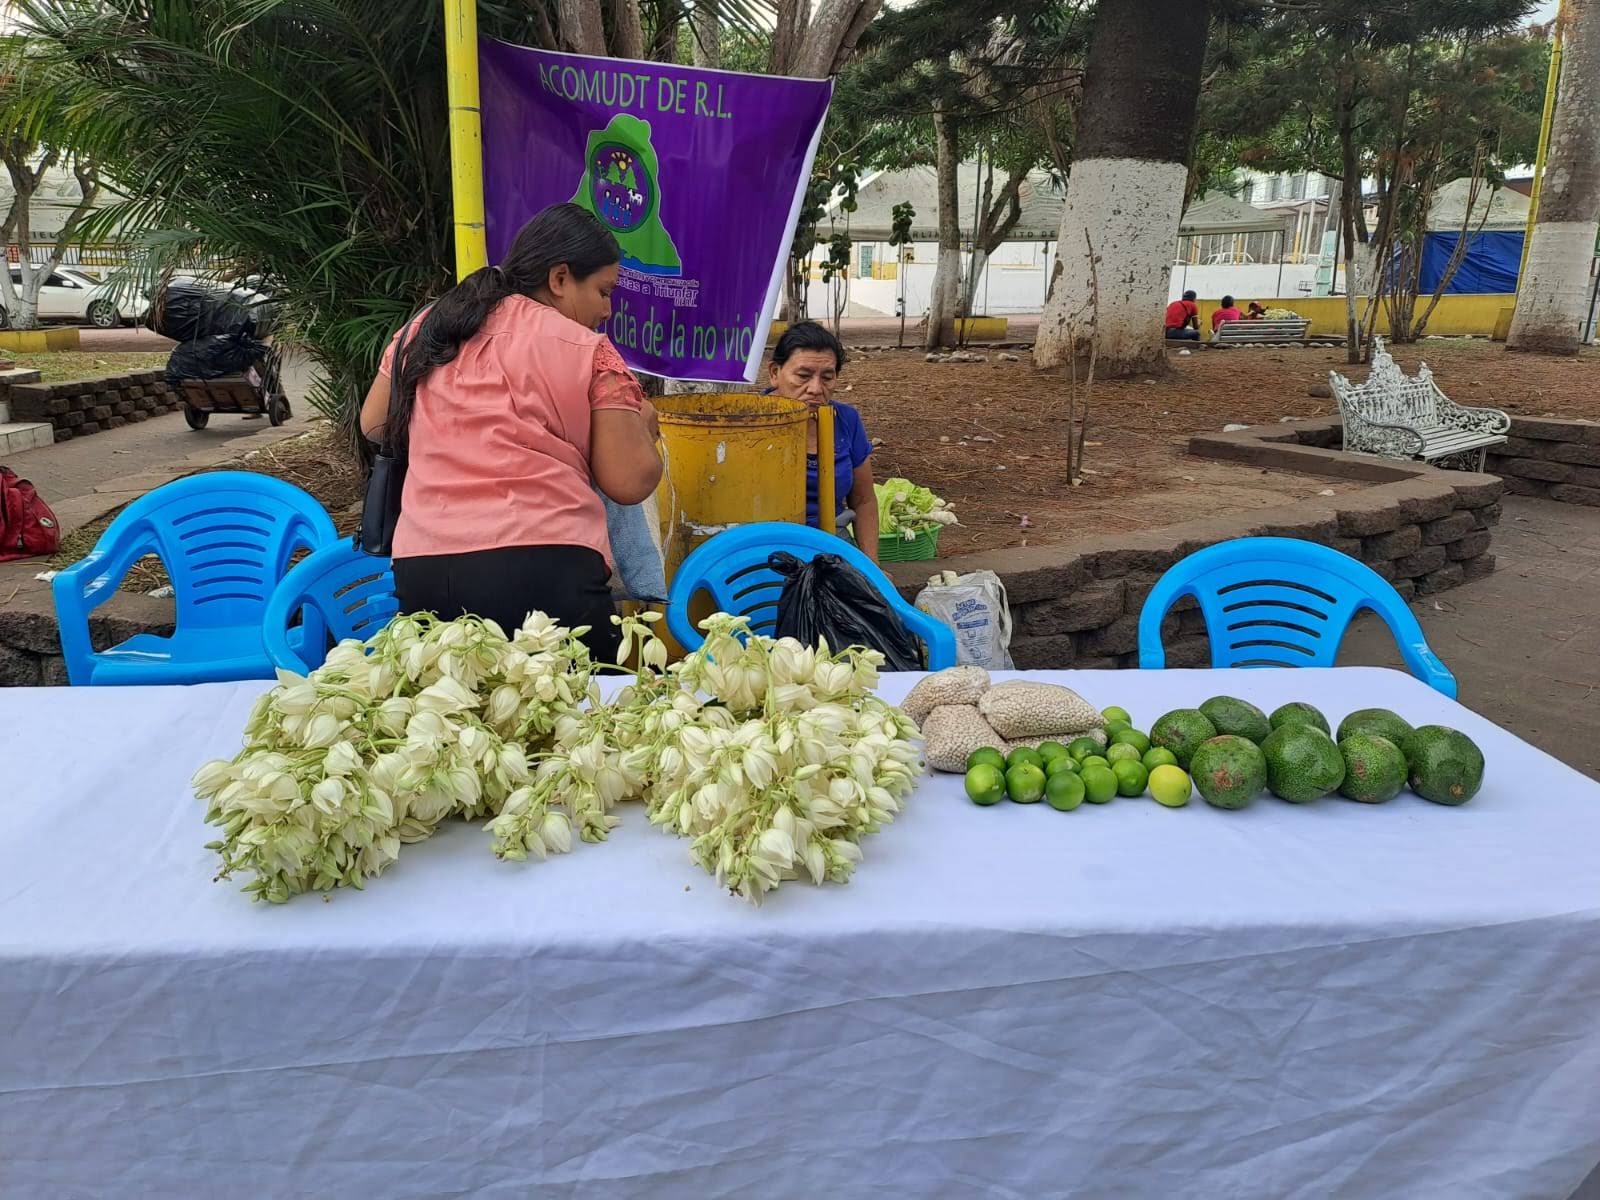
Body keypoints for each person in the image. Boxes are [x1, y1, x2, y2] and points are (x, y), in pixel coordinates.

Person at [359, 203, 662, 662]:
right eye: (603, 291)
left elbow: (375, 423)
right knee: (578, 722)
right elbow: (629, 481)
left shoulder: (430, 326)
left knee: (460, 720)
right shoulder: (586, 349)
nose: (607, 309)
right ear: (560, 278)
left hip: (426, 569)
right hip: (545, 570)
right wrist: (643, 428)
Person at [765, 321, 879, 561]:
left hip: (831, 541)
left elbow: (864, 500)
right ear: (775, 373)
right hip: (766, 547)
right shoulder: (750, 423)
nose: (816, 389)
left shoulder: (846, 420)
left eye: (827, 377)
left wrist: (873, 565)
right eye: (803, 376)